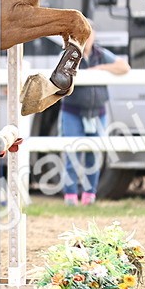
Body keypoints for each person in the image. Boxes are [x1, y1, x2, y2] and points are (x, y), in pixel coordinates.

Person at [59, 27, 130, 205]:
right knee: (72, 153)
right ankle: (70, 196)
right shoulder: (70, 55)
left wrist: (101, 69)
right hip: (73, 110)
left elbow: (124, 67)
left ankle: (90, 195)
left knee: (94, 155)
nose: (87, 39)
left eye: (90, 35)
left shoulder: (100, 54)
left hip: (97, 112)